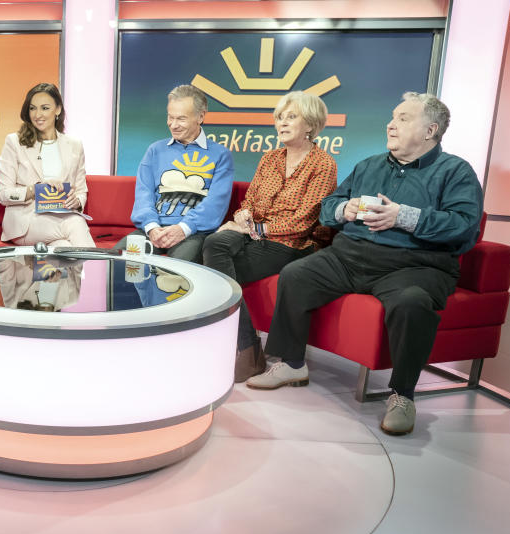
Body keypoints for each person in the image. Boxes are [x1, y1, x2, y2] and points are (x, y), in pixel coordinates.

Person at [246, 92, 483, 436]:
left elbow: (465, 228)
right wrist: (345, 209)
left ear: (431, 130)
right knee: (297, 274)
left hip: (415, 265)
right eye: (392, 116)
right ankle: (292, 363)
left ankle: (402, 394)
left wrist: (404, 217)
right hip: (350, 257)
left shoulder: (455, 171)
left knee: (411, 302)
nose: (391, 124)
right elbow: (328, 207)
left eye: (403, 118)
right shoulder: (369, 165)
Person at [202, 91, 337, 383]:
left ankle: (244, 350)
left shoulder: (323, 164)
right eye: (279, 118)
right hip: (255, 235)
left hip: (293, 244)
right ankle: (248, 344)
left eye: (291, 117)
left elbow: (304, 221)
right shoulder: (270, 158)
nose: (282, 123)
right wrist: (243, 216)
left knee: (218, 275)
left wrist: (258, 229)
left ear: (310, 125)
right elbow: (249, 200)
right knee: (213, 243)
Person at [116, 84, 234, 262]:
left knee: (176, 274)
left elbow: (215, 204)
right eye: (170, 117)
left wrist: (183, 228)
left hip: (192, 233)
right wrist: (152, 227)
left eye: (181, 119)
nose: (173, 125)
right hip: (152, 230)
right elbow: (143, 194)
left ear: (200, 116)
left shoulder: (220, 155)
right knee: (112, 262)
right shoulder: (155, 150)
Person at [0, 83, 95, 247]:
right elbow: (3, 194)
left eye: (45, 108)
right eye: (33, 108)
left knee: (63, 247)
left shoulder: (74, 145)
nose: (37, 114)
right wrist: (33, 190)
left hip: (62, 215)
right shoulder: (14, 142)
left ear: (57, 110)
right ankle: (98, 268)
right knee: (75, 223)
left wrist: (76, 202)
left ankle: (76, 272)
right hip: (26, 221)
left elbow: (81, 190)